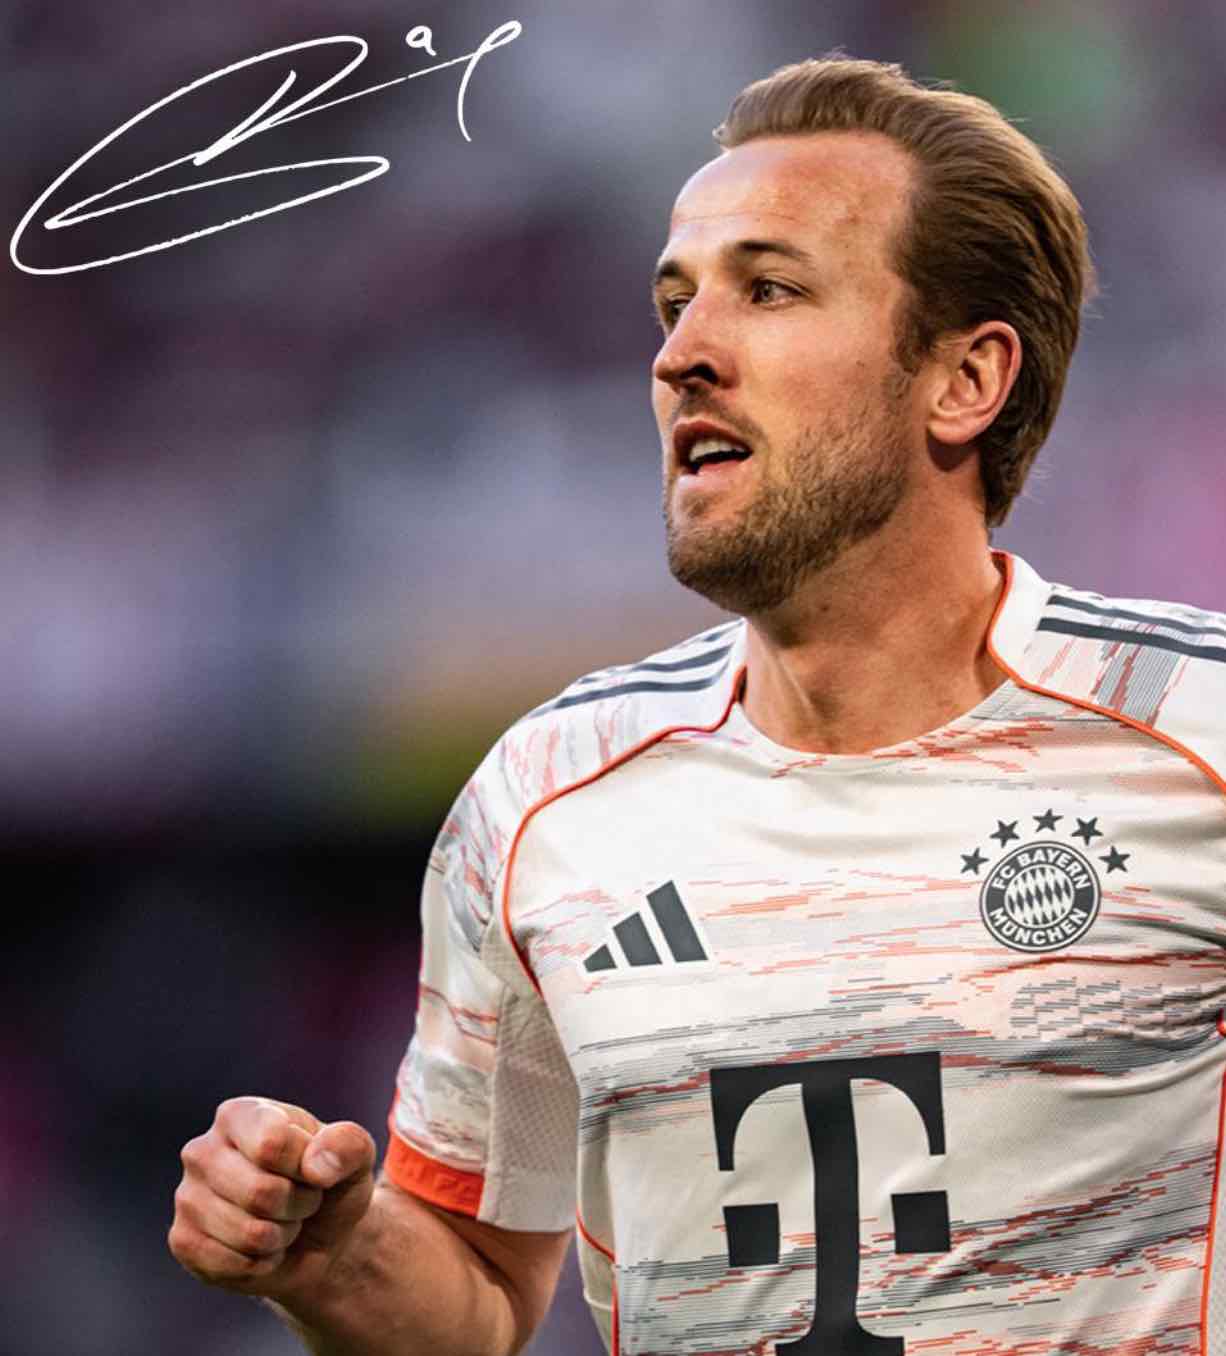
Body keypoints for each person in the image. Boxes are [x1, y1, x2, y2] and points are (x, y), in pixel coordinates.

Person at [169, 55, 1226, 1356]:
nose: (680, 356)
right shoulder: (546, 798)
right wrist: (335, 1261)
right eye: (676, 304)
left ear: (964, 380)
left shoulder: (1195, 735)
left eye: (768, 290)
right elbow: (479, 1293)